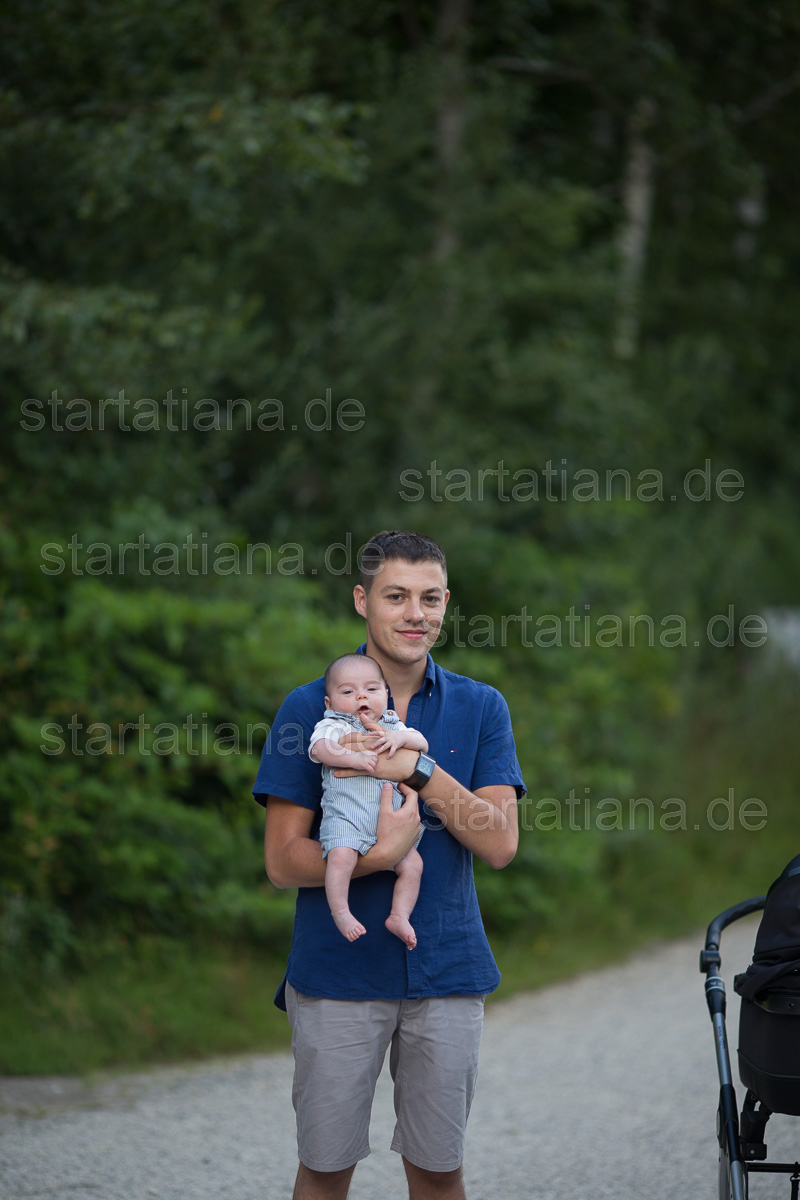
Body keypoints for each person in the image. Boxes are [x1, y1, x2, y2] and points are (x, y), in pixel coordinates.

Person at [253, 530, 525, 1200]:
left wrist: (417, 770)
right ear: (362, 600)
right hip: (337, 971)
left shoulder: (480, 706)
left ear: (446, 603)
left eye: (429, 598)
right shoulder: (308, 707)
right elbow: (283, 860)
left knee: (438, 1172)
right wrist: (381, 857)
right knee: (325, 1170)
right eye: (396, 596)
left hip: (447, 970)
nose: (414, 613)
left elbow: (498, 844)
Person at [310, 652, 427, 948]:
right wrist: (353, 758)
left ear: (386, 694)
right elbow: (320, 748)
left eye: (372, 689)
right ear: (329, 703)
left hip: (393, 826)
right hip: (347, 819)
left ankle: (399, 915)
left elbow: (422, 743)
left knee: (413, 866)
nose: (361, 696)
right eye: (348, 692)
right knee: (340, 858)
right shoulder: (336, 724)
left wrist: (400, 739)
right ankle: (341, 912)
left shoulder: (392, 724)